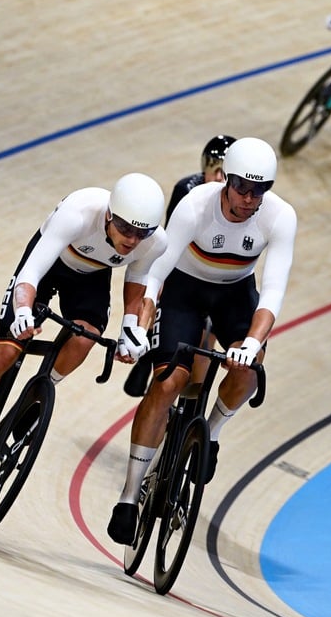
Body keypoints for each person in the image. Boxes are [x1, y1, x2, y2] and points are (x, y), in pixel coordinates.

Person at [107, 137, 297, 545]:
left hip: (234, 293)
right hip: (184, 290)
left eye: (259, 190)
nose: (250, 198)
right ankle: (128, 495)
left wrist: (251, 343)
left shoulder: (280, 217)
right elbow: (156, 274)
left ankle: (209, 432)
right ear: (225, 180)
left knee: (250, 368)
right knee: (169, 381)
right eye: (242, 187)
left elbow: (273, 291)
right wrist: (140, 322)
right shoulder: (195, 205)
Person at [0, 173, 168, 485]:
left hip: (91, 277)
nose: (132, 239)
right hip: (51, 263)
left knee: (86, 338)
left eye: (141, 232)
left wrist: (132, 331)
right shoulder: (78, 214)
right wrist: (24, 311)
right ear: (109, 214)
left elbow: (137, 286)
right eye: (125, 229)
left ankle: (39, 393)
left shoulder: (154, 243)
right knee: (4, 352)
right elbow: (32, 272)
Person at [123, 134, 237, 397]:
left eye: (226, 174)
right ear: (205, 169)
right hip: (182, 261)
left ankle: (194, 402)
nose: (220, 179)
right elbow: (172, 241)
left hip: (215, 270)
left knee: (209, 331)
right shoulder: (187, 188)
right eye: (216, 171)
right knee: (160, 289)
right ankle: (147, 354)